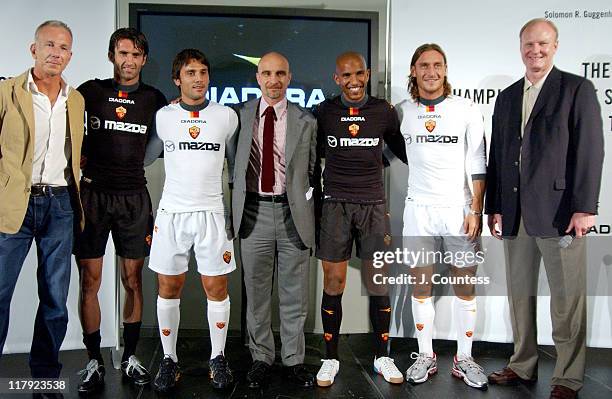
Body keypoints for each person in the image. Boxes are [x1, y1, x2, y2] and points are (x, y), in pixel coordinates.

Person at [485, 18, 604, 399]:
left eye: (543, 44)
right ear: (520, 47)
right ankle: (522, 365)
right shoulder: (506, 97)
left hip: (561, 215)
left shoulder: (576, 89)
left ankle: (568, 377)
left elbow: (590, 152)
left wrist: (585, 207)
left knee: (567, 301)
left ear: (555, 46)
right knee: (519, 295)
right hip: (515, 213)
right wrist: (496, 205)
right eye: (529, 45)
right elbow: (498, 156)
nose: (535, 51)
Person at [74, 27, 166, 394]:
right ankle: (93, 360)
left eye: (135, 54)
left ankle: (130, 357)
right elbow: (59, 126)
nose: (128, 60)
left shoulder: (154, 99)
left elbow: (165, 142)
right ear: (112, 55)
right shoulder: (88, 92)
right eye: (122, 53)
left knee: (132, 280)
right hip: (93, 196)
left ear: (144, 59)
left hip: (133, 199)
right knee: (89, 282)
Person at [143, 48, 238, 393]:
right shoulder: (163, 116)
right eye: (190, 73)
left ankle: (218, 357)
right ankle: (169, 360)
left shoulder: (227, 117)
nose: (197, 79)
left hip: (212, 214)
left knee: (217, 288)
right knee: (169, 287)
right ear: (177, 79)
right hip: (172, 214)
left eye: (202, 72)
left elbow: (235, 172)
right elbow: (144, 156)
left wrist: (233, 213)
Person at [396, 43, 488, 390]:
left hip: (458, 210)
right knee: (421, 287)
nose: (431, 71)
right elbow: (386, 155)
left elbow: (478, 163)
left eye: (437, 65)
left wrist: (475, 209)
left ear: (446, 69)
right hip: (418, 210)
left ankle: (464, 358)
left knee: (465, 287)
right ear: (413, 71)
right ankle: (426, 355)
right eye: (423, 65)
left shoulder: (466, 110)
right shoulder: (402, 112)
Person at [314, 51, 407, 387]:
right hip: (335, 205)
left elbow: (398, 147)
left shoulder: (384, 111)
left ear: (367, 74)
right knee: (334, 282)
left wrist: (373, 164)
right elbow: (318, 152)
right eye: (345, 76)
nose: (353, 81)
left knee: (378, 282)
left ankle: (383, 357)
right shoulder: (324, 111)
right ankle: (330, 358)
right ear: (336, 79)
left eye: (358, 74)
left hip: (372, 205)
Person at [0, 20, 84, 380]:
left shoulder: (75, 99)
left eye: (63, 47)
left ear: (70, 55)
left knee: (54, 298)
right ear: (33, 49)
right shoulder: (7, 92)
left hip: (61, 205)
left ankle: (45, 372)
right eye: (49, 44)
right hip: (14, 204)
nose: (56, 52)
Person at [231, 52, 317, 389]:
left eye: (280, 73)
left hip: (293, 213)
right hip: (254, 212)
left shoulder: (306, 120)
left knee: (295, 294)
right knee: (257, 294)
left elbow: (311, 171)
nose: (274, 80)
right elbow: (232, 165)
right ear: (257, 77)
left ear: (289, 76)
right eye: (266, 73)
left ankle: (294, 360)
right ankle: (261, 358)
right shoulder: (239, 117)